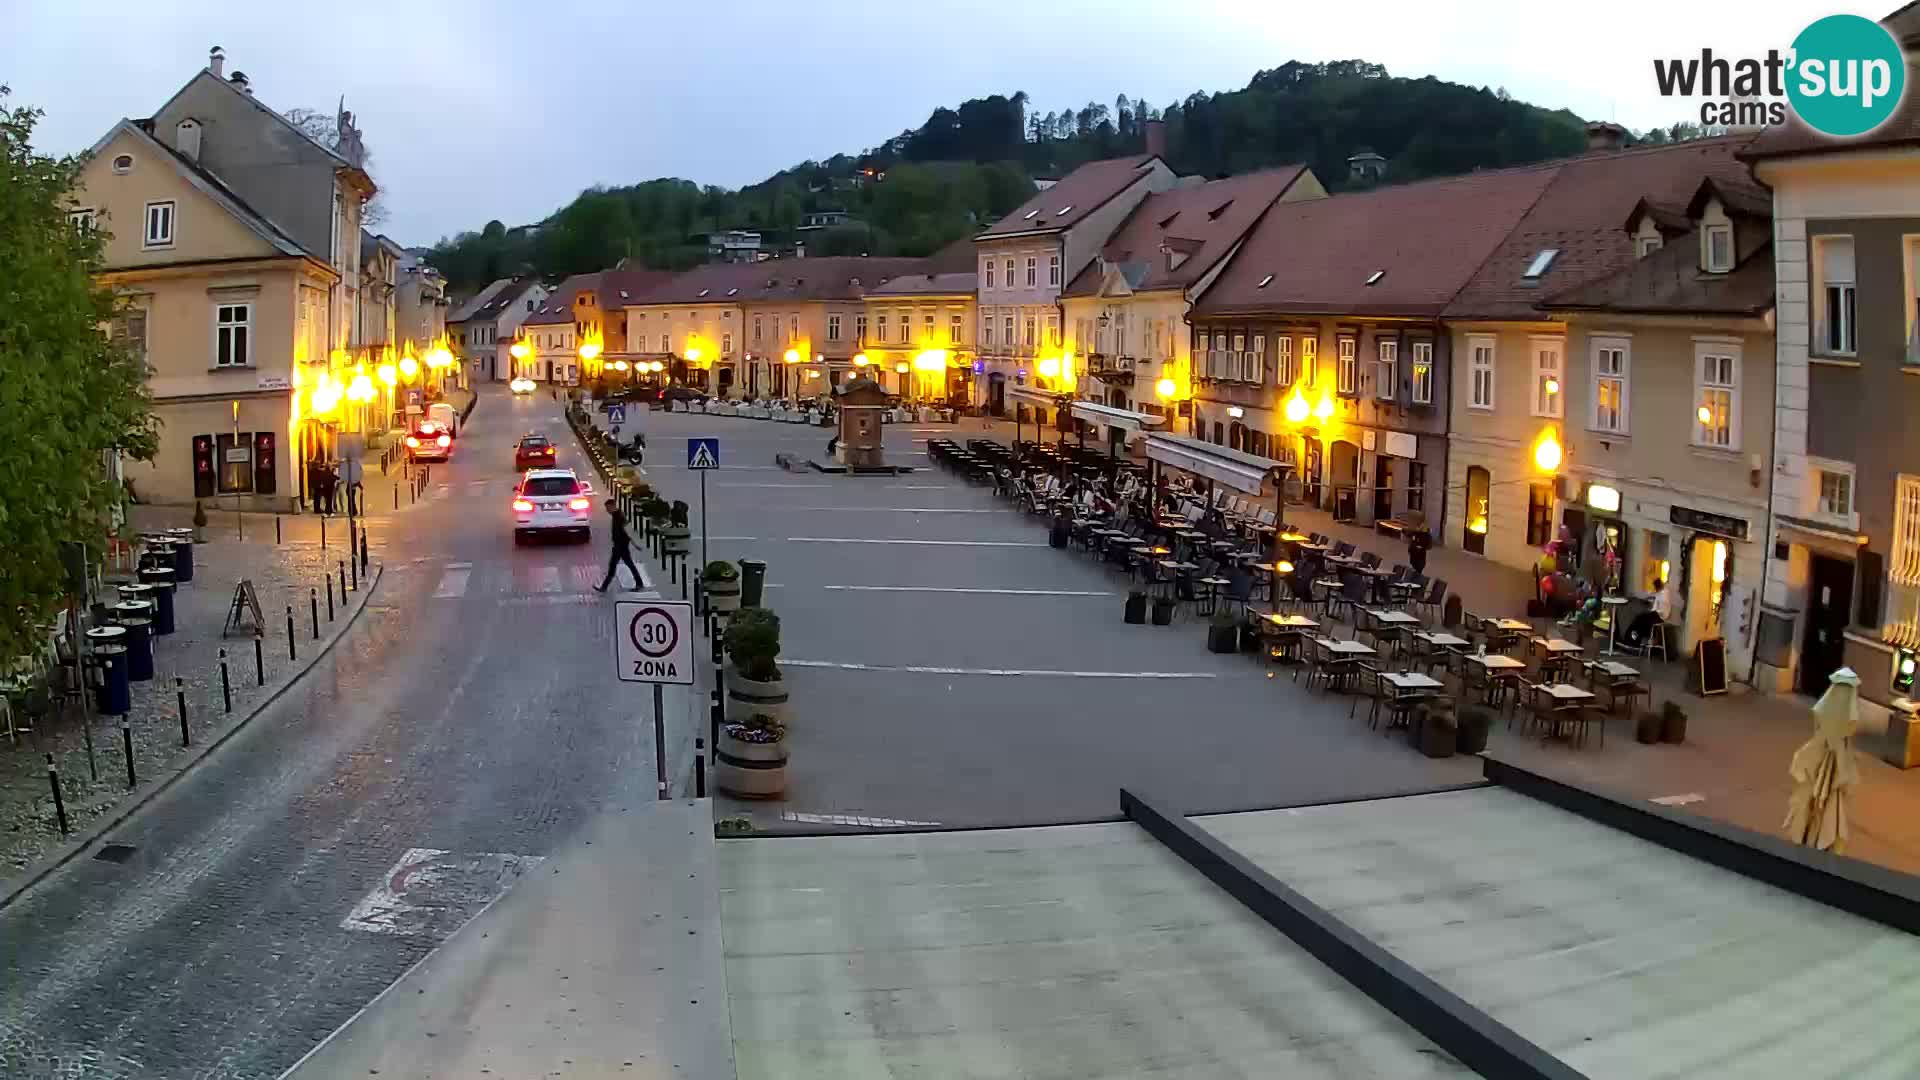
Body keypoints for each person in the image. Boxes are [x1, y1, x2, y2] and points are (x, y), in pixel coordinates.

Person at [593, 499, 642, 593]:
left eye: (607, 508)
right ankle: (604, 587)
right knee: (624, 565)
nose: (607, 510)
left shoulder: (619, 516)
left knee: (616, 566)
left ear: (612, 506)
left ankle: (604, 587)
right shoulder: (617, 515)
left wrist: (635, 544)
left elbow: (627, 530)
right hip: (619, 545)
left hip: (621, 545)